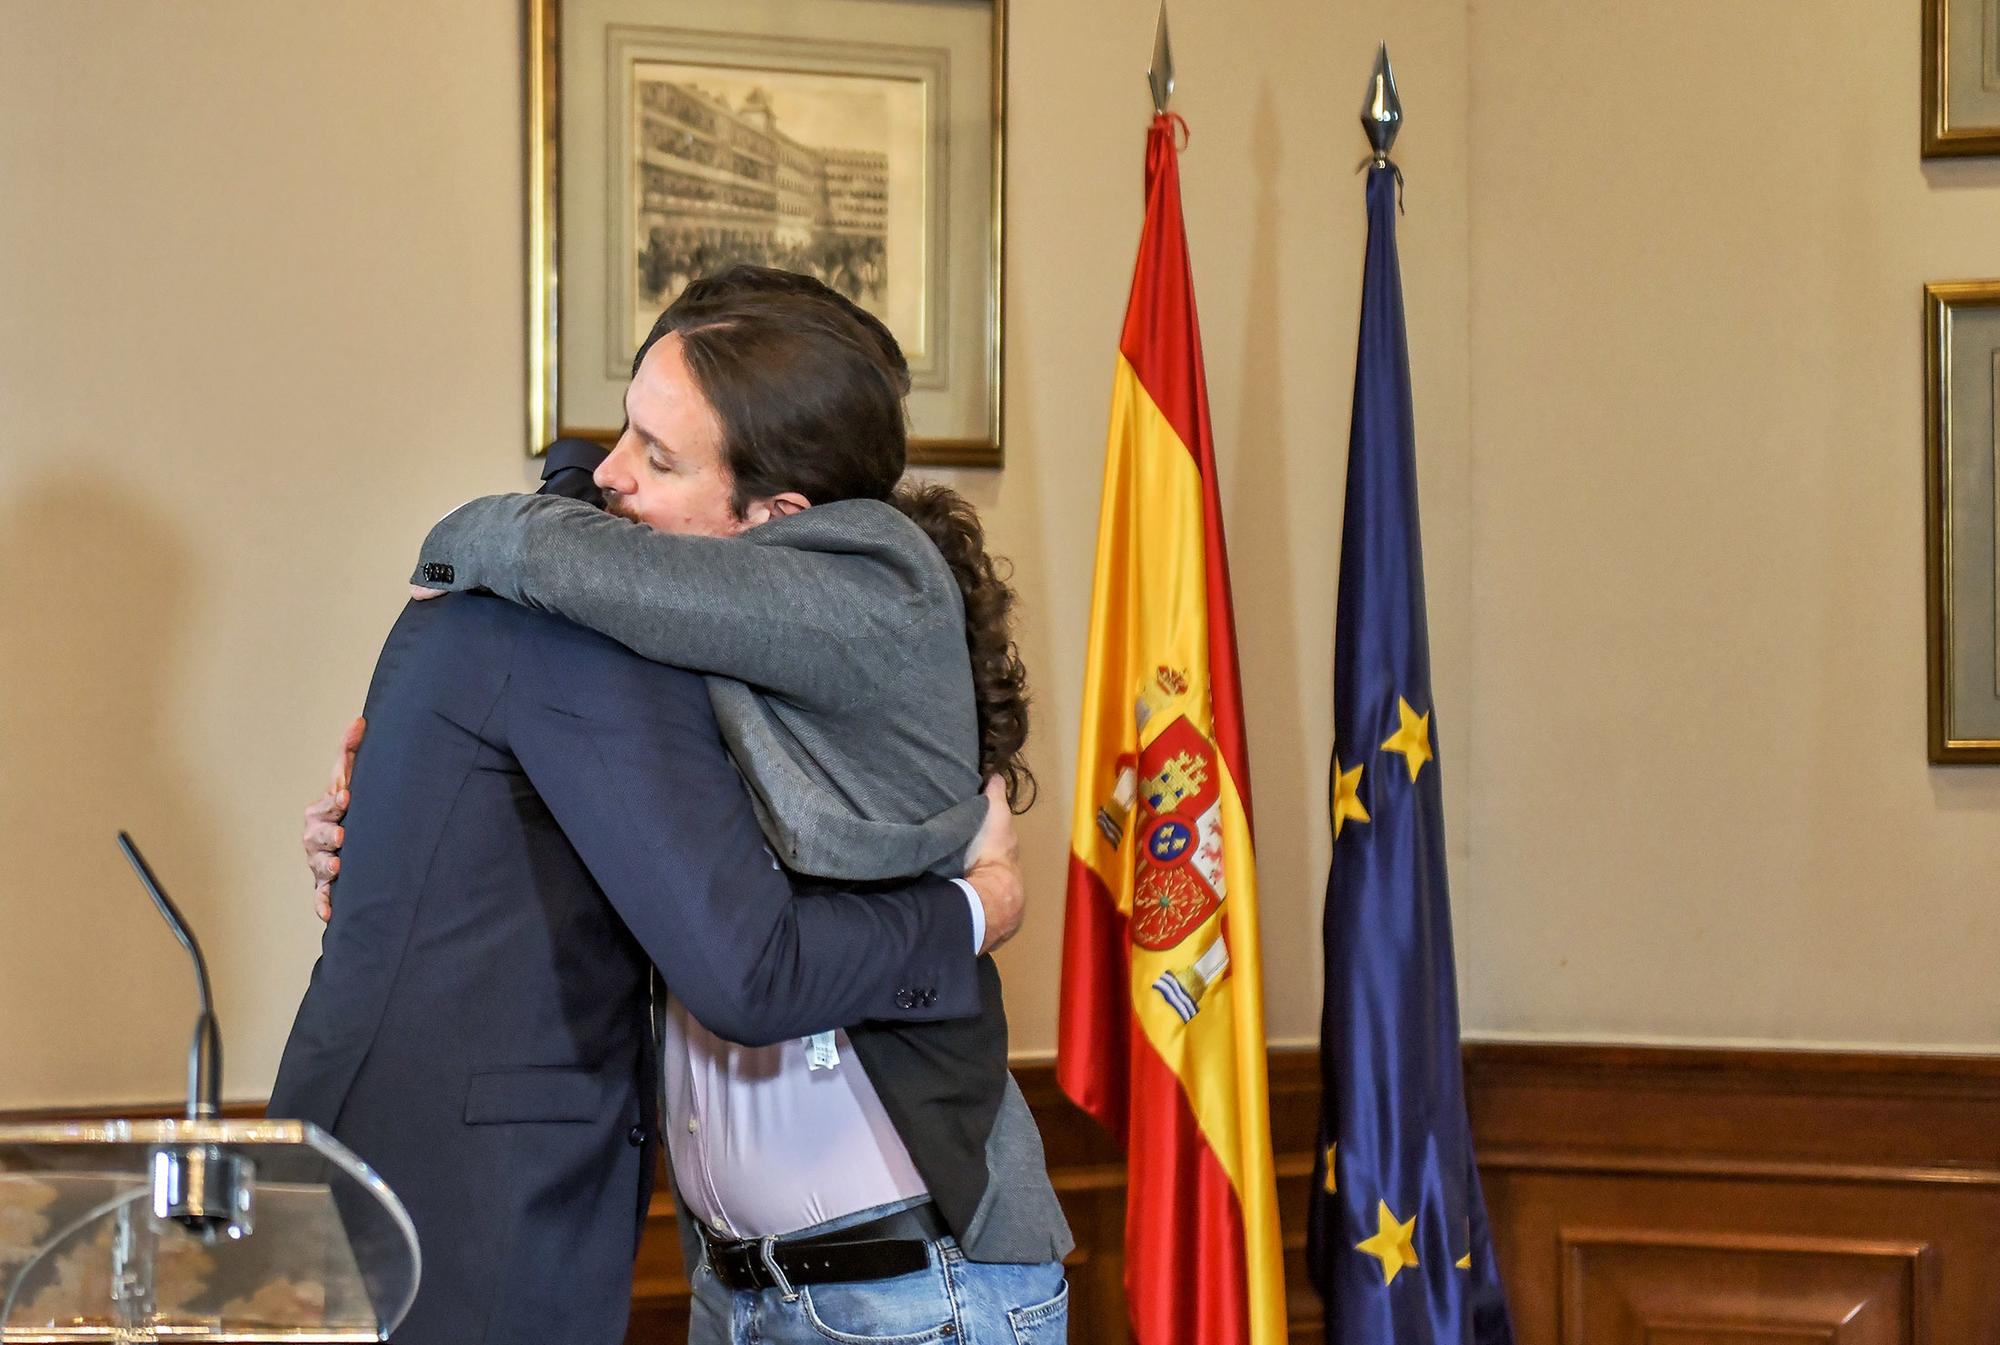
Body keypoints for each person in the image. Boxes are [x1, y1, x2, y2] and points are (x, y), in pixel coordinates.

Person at [304, 269, 1072, 1344]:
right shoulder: (701, 622)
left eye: (658, 459)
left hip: (913, 1291)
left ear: (778, 519)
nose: (615, 477)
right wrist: (396, 834)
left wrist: (977, 908)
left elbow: (547, 538)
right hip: (741, 1290)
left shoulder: (873, 590)